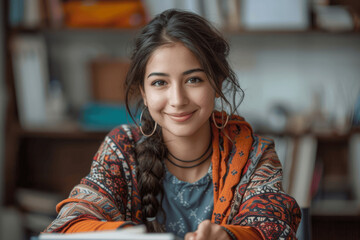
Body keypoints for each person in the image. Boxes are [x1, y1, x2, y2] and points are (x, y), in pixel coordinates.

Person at [44, 9, 301, 240]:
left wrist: (228, 237)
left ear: (218, 84)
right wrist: (129, 236)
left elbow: (275, 229)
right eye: (159, 83)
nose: (177, 100)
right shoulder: (122, 148)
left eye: (194, 80)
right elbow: (68, 225)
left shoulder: (254, 156)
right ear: (143, 93)